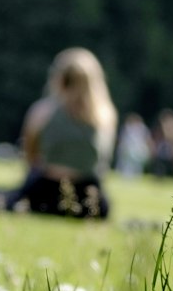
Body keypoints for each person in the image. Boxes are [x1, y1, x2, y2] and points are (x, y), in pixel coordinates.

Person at [7, 48, 118, 217]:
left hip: (45, 193)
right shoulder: (106, 116)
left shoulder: (42, 111)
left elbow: (30, 157)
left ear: (59, 78)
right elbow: (102, 163)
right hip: (89, 198)